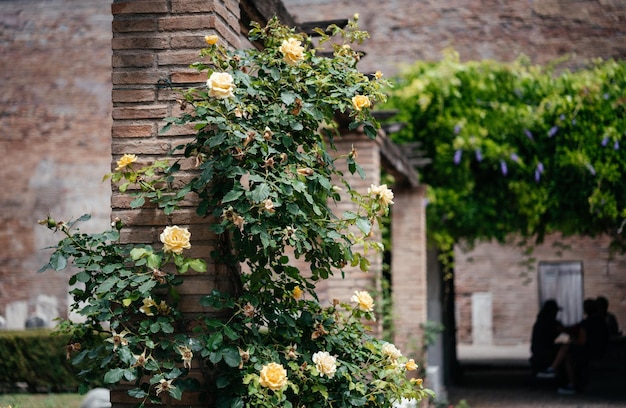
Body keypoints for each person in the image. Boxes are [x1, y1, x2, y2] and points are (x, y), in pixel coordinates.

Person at [530, 299, 564, 375]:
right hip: (544, 350)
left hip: (538, 349)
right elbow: (565, 330)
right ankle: (552, 369)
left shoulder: (541, 320)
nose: (556, 314)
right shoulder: (550, 322)